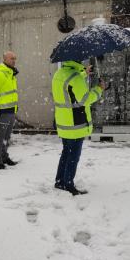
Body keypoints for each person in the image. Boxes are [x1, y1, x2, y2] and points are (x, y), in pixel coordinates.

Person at [51, 60, 104, 196]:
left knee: (66, 153)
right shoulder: (75, 77)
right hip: (76, 123)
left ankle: (60, 180)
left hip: (64, 122)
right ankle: (68, 184)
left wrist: (84, 73)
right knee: (73, 155)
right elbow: (85, 99)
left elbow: (70, 84)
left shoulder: (60, 73)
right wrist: (99, 89)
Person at [0, 51, 19, 170]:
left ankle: (4, 156)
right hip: (2, 111)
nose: (14, 60)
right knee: (0, 137)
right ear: (5, 59)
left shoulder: (11, 74)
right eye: (11, 58)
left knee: (7, 136)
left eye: (15, 58)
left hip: (11, 110)